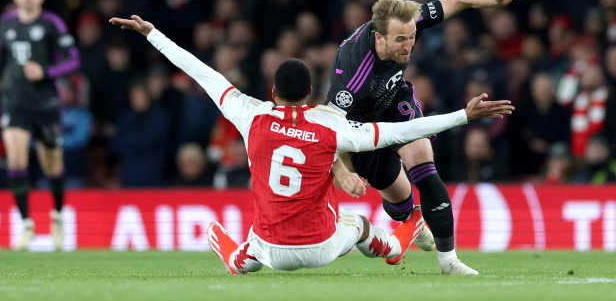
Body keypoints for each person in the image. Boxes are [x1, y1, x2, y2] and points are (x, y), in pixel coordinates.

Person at [109, 15, 513, 275]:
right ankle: (399, 239)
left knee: (244, 256)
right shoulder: (331, 125)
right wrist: (464, 115)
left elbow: (203, 73)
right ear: (310, 94)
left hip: (271, 249)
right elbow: (400, 132)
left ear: (272, 91)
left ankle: (232, 252)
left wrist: (153, 35)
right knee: (360, 226)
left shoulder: (250, 116)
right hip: (323, 245)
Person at [325, 0, 517, 274]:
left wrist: (494, 0)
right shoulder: (351, 79)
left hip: (395, 102)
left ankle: (449, 260)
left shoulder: (405, 21)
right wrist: (343, 173)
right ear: (379, 38)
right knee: (401, 203)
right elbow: (327, 130)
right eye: (401, 39)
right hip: (361, 128)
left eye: (412, 37)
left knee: (425, 170)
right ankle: (411, 220)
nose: (409, 45)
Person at [0, 0, 80, 250]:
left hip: (46, 104)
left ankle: (58, 215)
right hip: (14, 102)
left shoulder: (51, 23)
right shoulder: (6, 24)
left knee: (52, 166)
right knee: (16, 161)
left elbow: (73, 59)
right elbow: (1, 56)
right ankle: (26, 225)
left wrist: (46, 72)